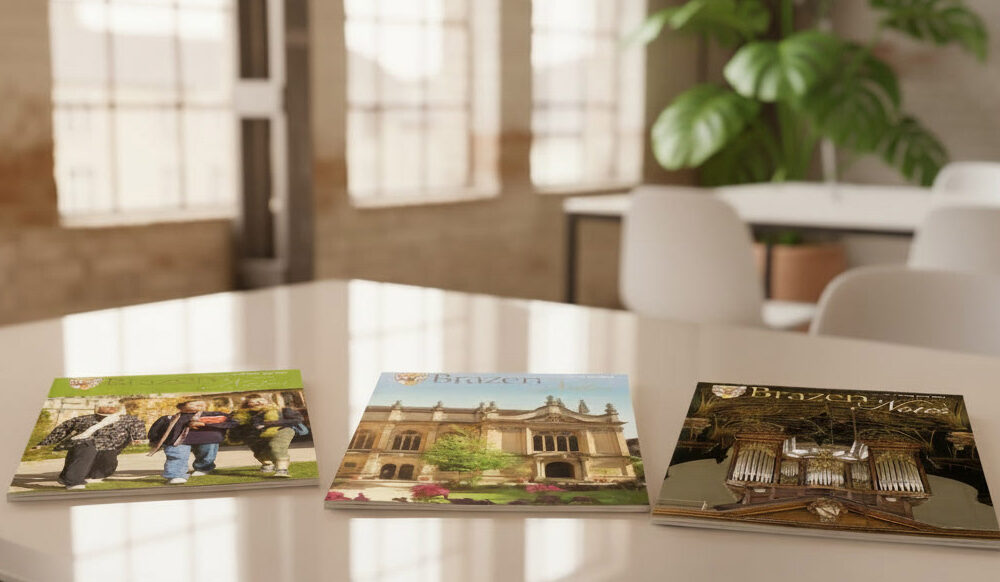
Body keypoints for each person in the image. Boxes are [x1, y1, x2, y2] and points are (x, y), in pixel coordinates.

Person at [32, 400, 147, 490]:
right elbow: (63, 428)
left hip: (111, 445)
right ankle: (73, 481)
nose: (110, 408)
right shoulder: (85, 419)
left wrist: (138, 438)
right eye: (106, 406)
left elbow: (138, 427)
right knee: (85, 450)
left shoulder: (128, 420)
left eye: (112, 406)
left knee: (107, 461)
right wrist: (44, 443)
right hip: (85, 442)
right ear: (98, 408)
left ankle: (95, 475)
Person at [147, 400, 233, 484]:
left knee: (207, 452)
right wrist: (154, 440)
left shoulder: (213, 415)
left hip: (206, 438)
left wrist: (204, 424)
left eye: (201, 404)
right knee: (177, 455)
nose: (199, 406)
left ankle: (203, 468)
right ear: (181, 406)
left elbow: (228, 422)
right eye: (194, 404)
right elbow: (156, 429)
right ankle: (176, 475)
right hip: (178, 440)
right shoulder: (169, 418)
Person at [230, 394, 305, 477]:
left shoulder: (280, 409)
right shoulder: (244, 413)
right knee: (259, 450)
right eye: (253, 401)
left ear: (267, 400)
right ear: (247, 403)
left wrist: (268, 423)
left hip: (282, 429)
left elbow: (297, 420)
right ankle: (268, 464)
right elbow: (238, 425)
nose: (258, 402)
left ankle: (282, 470)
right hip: (258, 433)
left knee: (276, 447)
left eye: (261, 400)